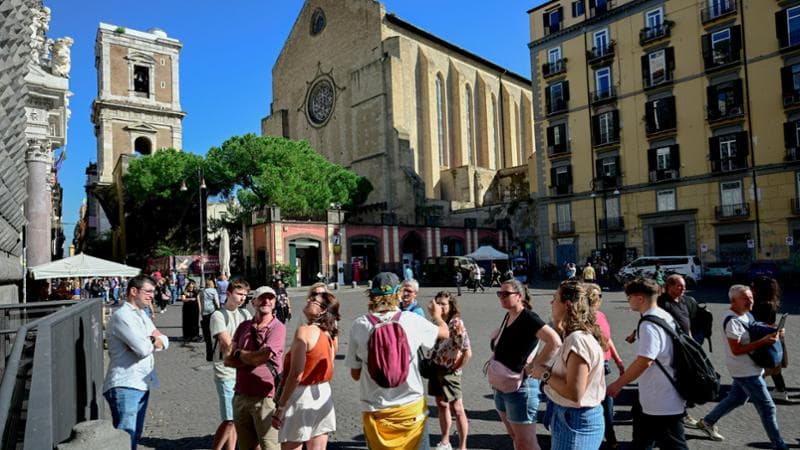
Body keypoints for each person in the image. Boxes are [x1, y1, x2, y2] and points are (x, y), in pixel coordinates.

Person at [345, 272, 449, 450]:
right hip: (411, 411)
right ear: (398, 294)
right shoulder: (411, 320)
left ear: (371, 295)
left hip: (376, 412)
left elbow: (355, 374)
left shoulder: (359, 325)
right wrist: (437, 315)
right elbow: (444, 333)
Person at [695, 285, 788, 449]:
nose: (750, 301)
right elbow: (737, 350)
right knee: (768, 407)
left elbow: (754, 326)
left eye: (751, 297)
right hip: (745, 370)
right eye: (746, 298)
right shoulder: (732, 321)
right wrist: (764, 341)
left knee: (736, 398)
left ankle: (707, 422)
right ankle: (779, 445)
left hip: (749, 367)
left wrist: (772, 329)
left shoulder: (745, 314)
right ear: (733, 301)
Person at [607, 277, 688, 449]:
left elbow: (645, 360)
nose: (628, 301)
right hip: (656, 395)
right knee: (642, 441)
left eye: (629, 297)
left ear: (640, 298)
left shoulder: (649, 324)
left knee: (674, 444)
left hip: (661, 398)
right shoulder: (664, 315)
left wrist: (618, 384)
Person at [532, 280, 605, 449]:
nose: (551, 303)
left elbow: (574, 392)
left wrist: (544, 374)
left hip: (575, 420)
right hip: (571, 417)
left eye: (555, 298)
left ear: (567, 305)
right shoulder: (576, 336)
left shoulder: (577, 340)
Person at [492, 279, 561, 450]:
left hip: (520, 387)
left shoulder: (528, 318)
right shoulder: (509, 315)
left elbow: (554, 341)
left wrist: (535, 366)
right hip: (502, 385)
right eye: (499, 293)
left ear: (519, 296)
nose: (501, 297)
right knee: (516, 437)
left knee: (526, 442)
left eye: (506, 294)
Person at [102, 275, 169, 449]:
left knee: (134, 436)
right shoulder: (123, 316)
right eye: (148, 291)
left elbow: (164, 341)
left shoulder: (140, 314)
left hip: (141, 383)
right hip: (125, 383)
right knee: (125, 437)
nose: (151, 296)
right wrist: (152, 340)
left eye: (153, 292)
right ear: (133, 291)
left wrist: (151, 340)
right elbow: (142, 349)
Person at [272, 291, 341, 449]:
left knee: (291, 445)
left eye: (314, 300)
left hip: (301, 396)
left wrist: (281, 406)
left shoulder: (305, 331)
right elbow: (331, 365)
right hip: (323, 393)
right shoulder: (329, 334)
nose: (309, 300)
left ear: (322, 310)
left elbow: (296, 374)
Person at [224, 286, 287, 450]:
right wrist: (250, 358)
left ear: (274, 303)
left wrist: (240, 354)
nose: (266, 301)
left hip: (266, 398)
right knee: (246, 447)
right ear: (253, 302)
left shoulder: (277, 328)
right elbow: (228, 360)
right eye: (262, 298)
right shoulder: (243, 326)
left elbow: (263, 357)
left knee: (270, 446)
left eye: (270, 298)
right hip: (241, 396)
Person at [209, 279, 253, 450]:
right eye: (239, 294)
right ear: (228, 294)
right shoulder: (218, 315)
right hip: (225, 369)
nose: (242, 298)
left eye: (244, 295)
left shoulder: (246, 314)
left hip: (242, 370)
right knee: (229, 418)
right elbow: (227, 343)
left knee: (237, 418)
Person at [427, 291, 471, 450]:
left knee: (458, 408)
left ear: (451, 306)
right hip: (436, 368)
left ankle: (463, 445)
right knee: (441, 405)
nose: (439, 307)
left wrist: (455, 367)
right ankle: (445, 441)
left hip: (450, 371)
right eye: (437, 303)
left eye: (443, 304)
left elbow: (467, 351)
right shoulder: (436, 321)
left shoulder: (455, 323)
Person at [586, 283, 624, 449]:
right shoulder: (585, 318)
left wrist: (618, 360)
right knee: (602, 404)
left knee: (605, 403)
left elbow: (607, 339)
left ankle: (610, 438)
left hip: (603, 364)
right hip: (594, 366)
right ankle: (610, 439)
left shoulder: (601, 315)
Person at [750, 276, 791, 402]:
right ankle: (780, 390)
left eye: (752, 286)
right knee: (773, 367)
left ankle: (751, 391)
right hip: (770, 336)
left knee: (761, 367)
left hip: (762, 338)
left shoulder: (759, 304)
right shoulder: (771, 302)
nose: (750, 288)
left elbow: (755, 323)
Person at [202, 279, 221, 358]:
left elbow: (201, 301)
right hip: (212, 310)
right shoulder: (213, 291)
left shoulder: (203, 291)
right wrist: (219, 307)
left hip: (205, 311)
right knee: (214, 327)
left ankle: (209, 355)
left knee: (207, 331)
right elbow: (216, 301)